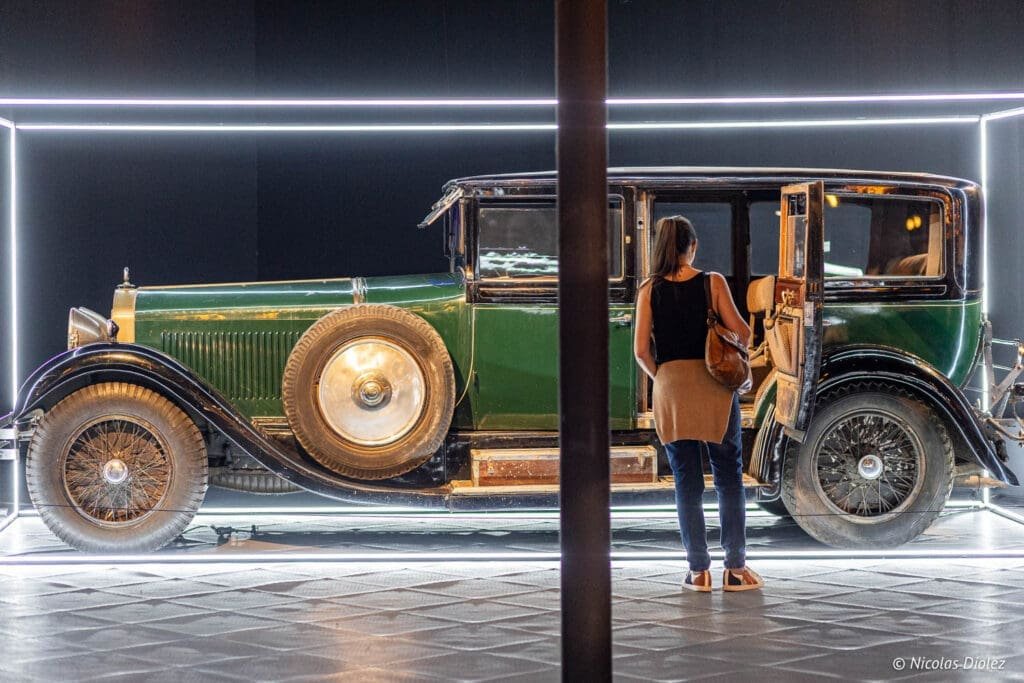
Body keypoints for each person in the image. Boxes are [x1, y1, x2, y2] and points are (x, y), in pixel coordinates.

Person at [634, 215, 765, 593]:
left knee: (685, 481)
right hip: (715, 386)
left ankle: (698, 572)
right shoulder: (713, 282)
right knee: (728, 476)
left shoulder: (648, 290)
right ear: (692, 246)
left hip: (671, 387)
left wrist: (663, 376)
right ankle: (736, 570)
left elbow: (641, 350)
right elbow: (740, 331)